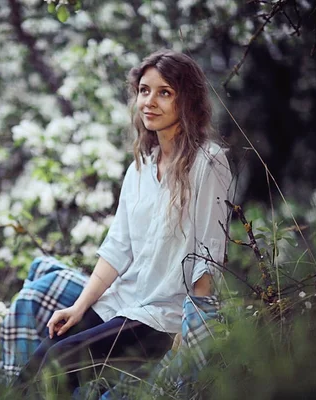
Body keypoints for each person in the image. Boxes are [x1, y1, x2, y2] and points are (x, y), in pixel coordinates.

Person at [12, 49, 232, 397]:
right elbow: (118, 248)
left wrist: (191, 330)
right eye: (144, 90)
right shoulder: (140, 168)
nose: (150, 102)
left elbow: (208, 256)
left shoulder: (209, 163)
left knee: (58, 364)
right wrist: (79, 307)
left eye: (164, 92)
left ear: (186, 99)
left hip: (162, 317)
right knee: (37, 362)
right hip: (123, 302)